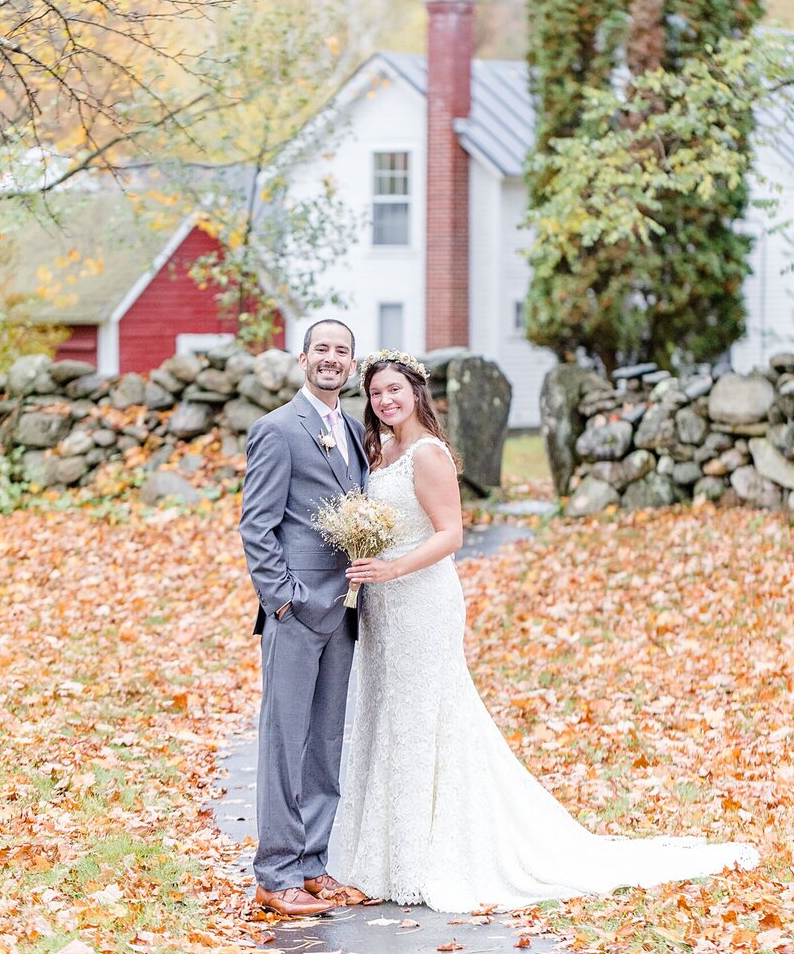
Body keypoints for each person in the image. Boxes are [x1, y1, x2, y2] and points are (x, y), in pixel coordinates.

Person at [337, 350, 759, 912]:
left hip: (421, 600)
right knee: (385, 713)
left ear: (417, 393)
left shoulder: (428, 453)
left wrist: (390, 567)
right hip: (382, 605)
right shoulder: (380, 449)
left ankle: (421, 856)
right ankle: (382, 855)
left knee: (423, 718)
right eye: (376, 393)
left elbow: (451, 535)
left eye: (395, 390)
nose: (385, 401)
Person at [240, 319, 369, 917]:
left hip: (343, 611)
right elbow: (257, 526)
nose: (331, 360)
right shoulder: (276, 429)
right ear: (303, 357)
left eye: (342, 352)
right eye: (322, 349)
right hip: (296, 612)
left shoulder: (352, 430)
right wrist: (283, 600)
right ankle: (274, 873)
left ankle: (312, 865)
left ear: (351, 364)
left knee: (325, 740)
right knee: (284, 740)